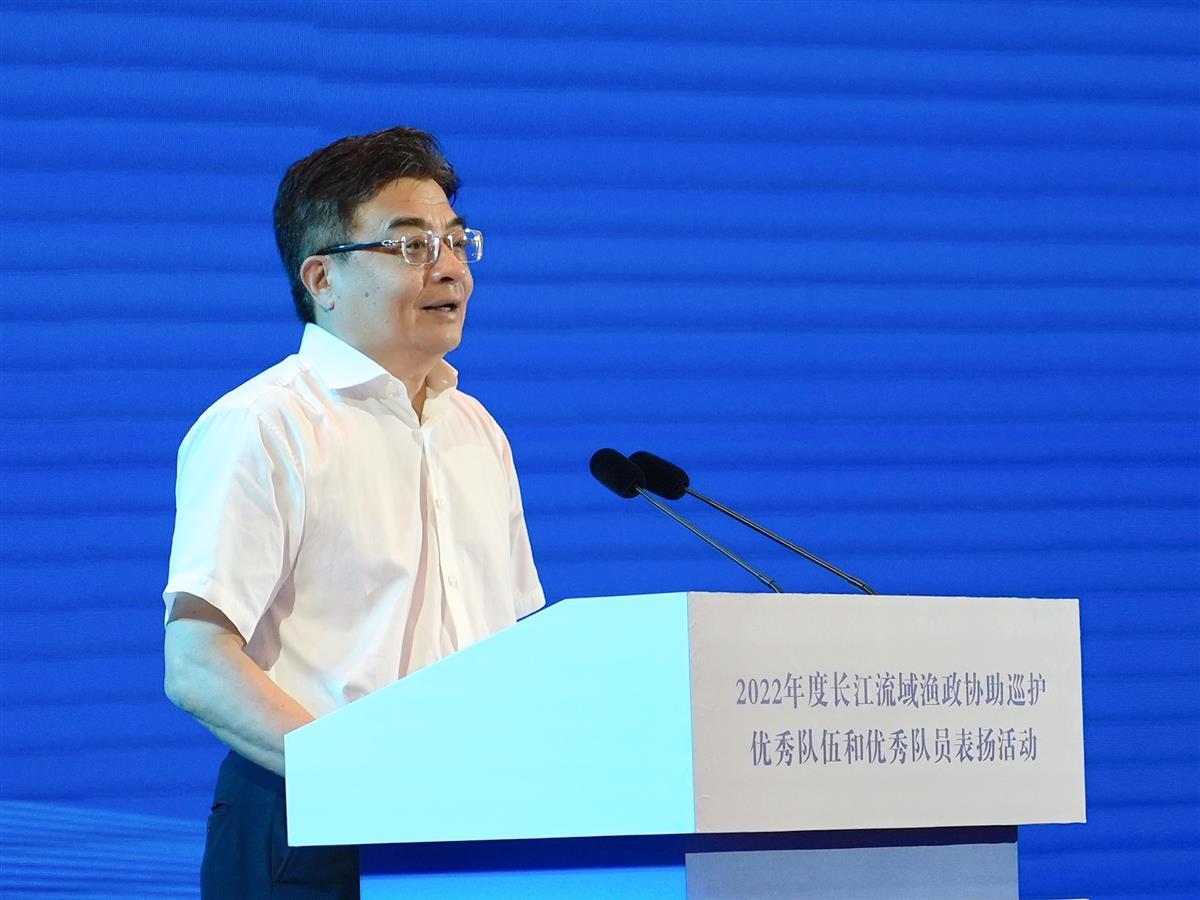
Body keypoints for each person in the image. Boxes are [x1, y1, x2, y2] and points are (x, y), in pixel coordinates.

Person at [162, 126, 545, 899]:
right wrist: (357, 779)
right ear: (322, 278)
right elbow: (197, 663)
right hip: (310, 829)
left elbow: (518, 645)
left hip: (470, 828)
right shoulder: (265, 425)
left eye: (456, 240)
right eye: (410, 246)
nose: (449, 267)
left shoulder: (475, 430)